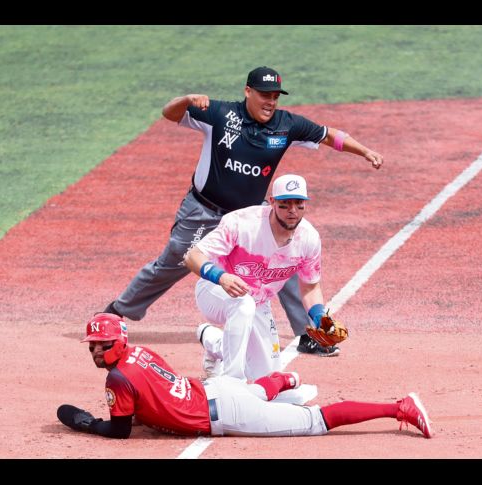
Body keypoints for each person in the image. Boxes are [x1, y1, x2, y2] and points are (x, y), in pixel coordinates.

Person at [102, 66, 384, 357]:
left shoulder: (286, 124)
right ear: (247, 91)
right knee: (177, 259)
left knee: (282, 261)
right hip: (204, 209)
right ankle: (116, 312)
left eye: (275, 96)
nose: (270, 101)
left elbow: (328, 135)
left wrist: (364, 151)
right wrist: (186, 99)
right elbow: (169, 113)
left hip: (251, 215)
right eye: (264, 94)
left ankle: (308, 334)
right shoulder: (221, 114)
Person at [57, 313, 432, 440]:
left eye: (101, 344)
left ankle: (399, 407)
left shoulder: (117, 380)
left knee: (318, 421)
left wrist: (86, 424)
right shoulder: (139, 353)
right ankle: (283, 381)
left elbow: (120, 431)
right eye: (91, 345)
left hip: (228, 412)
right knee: (254, 391)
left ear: (117, 342)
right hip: (219, 389)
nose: (95, 350)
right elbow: (156, 390)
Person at [184, 173, 336, 381]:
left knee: (267, 377)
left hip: (259, 303)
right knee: (243, 304)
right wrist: (221, 277)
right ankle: (231, 382)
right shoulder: (242, 223)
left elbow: (310, 288)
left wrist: (320, 318)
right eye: (285, 204)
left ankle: (213, 342)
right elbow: (192, 256)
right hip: (215, 291)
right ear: (272, 202)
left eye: (299, 204)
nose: (292, 210)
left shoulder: (308, 239)